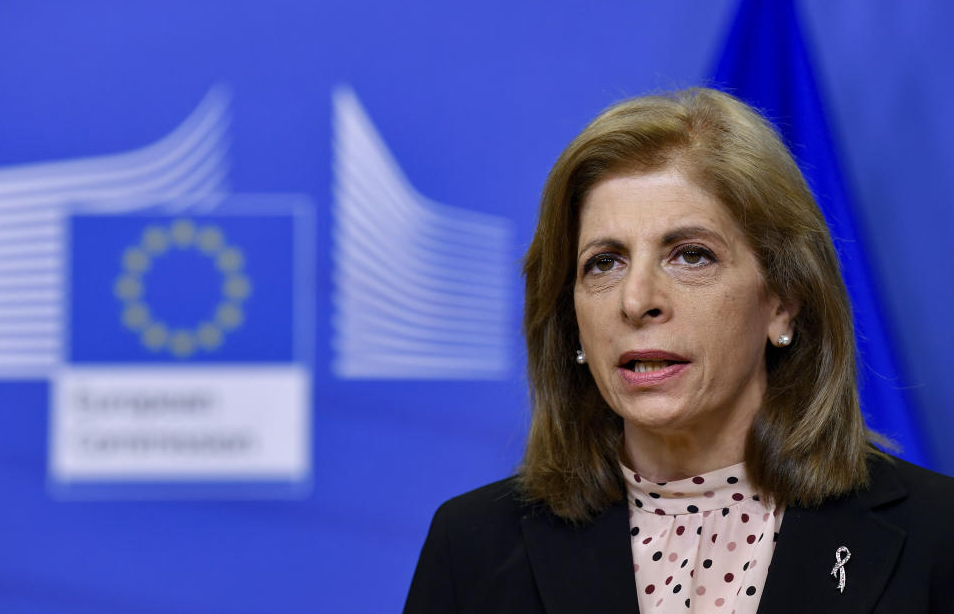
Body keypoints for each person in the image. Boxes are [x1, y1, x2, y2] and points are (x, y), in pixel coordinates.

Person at [403, 88, 954, 613]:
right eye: (604, 262)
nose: (636, 300)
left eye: (691, 256)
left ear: (783, 302)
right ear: (572, 324)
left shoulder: (937, 536)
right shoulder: (472, 547)